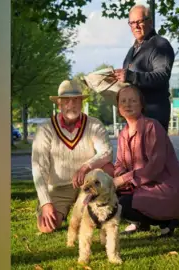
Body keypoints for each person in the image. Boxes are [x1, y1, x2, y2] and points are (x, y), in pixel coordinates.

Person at [31, 80, 114, 233]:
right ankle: (63, 210)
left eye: (76, 100)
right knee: (46, 227)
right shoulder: (45, 129)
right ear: (59, 104)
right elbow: (39, 169)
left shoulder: (94, 124)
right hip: (59, 187)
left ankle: (107, 205)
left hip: (87, 184)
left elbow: (107, 152)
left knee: (109, 168)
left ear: (81, 102)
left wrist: (85, 167)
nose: (72, 104)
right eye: (66, 100)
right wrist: (45, 203)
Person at [112, 85, 179, 237]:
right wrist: (118, 178)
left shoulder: (152, 126)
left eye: (133, 100)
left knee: (122, 204)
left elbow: (155, 166)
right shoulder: (123, 134)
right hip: (141, 186)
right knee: (111, 195)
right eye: (123, 101)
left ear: (141, 104)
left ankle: (167, 222)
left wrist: (124, 179)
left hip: (164, 186)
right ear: (119, 108)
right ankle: (141, 223)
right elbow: (119, 163)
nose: (127, 104)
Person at [113, 4, 175, 132]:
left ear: (150, 22)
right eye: (131, 23)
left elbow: (162, 76)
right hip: (134, 118)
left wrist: (130, 76)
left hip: (153, 118)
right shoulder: (133, 50)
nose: (135, 26)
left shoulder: (160, 45)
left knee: (153, 152)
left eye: (139, 21)